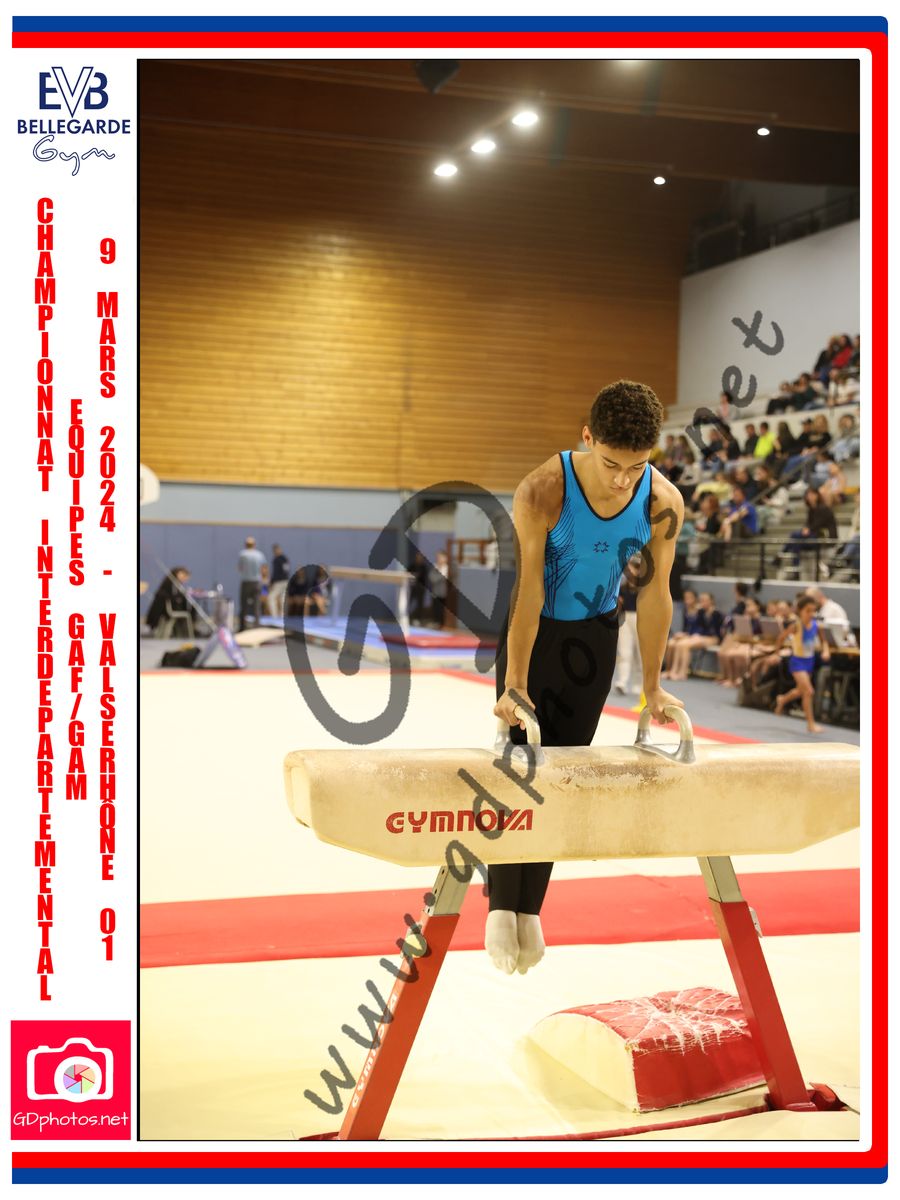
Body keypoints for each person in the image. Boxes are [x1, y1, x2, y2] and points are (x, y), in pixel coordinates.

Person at [491, 380, 684, 975]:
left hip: (597, 636)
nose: (624, 480)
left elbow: (656, 594)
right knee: (521, 763)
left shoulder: (662, 501)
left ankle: (531, 906)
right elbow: (527, 590)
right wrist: (514, 680)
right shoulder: (544, 488)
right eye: (611, 464)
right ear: (586, 438)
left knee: (565, 772)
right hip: (536, 630)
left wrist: (652, 688)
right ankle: (501, 905)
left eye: (637, 467)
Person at [774, 595, 830, 732]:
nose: (811, 614)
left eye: (813, 611)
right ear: (800, 611)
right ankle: (810, 724)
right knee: (809, 691)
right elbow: (780, 638)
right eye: (808, 611)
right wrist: (777, 653)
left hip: (809, 661)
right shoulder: (796, 626)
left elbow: (824, 641)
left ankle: (782, 699)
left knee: (800, 691)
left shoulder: (816, 626)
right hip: (797, 662)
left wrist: (826, 651)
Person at [662, 590, 722, 681]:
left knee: (683, 644)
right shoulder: (701, 612)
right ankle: (671, 670)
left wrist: (694, 635)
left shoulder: (716, 613)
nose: (702, 603)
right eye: (701, 600)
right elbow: (697, 628)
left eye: (705, 600)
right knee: (674, 643)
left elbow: (714, 631)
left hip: (712, 638)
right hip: (699, 636)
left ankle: (682, 672)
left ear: (711, 601)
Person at [717, 597, 763, 687]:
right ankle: (731, 678)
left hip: (755, 644)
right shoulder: (746, 618)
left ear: (757, 606)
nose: (748, 607)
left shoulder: (760, 619)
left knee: (740, 655)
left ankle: (742, 679)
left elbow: (758, 635)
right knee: (729, 653)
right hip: (744, 642)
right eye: (747, 606)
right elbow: (740, 632)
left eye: (750, 605)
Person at [146, 566, 193, 636]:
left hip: (167, 608)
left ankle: (185, 630)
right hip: (166, 609)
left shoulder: (175, 584)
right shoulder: (171, 583)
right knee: (190, 609)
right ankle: (188, 630)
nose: (184, 578)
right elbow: (171, 597)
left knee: (191, 608)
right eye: (183, 575)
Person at [237, 536, 267, 631]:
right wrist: (264, 580)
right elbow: (264, 569)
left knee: (244, 605)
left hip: (246, 582)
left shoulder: (243, 554)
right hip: (257, 582)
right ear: (254, 545)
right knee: (256, 606)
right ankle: (256, 627)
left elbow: (240, 568)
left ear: (246, 545)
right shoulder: (259, 554)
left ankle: (242, 627)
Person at [428, 550, 451, 628]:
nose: (438, 559)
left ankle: (442, 624)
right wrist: (441, 575)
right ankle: (436, 623)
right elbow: (432, 578)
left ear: (445, 558)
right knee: (435, 609)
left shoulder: (448, 568)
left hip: (445, 593)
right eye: (437, 557)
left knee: (443, 610)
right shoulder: (435, 567)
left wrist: (440, 575)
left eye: (440, 557)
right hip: (435, 592)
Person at [267, 544, 290, 617]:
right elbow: (286, 571)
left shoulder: (276, 559)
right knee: (282, 599)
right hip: (285, 581)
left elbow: (275, 572)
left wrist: (271, 582)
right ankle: (282, 616)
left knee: (271, 597)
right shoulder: (285, 559)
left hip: (279, 582)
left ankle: (274, 616)